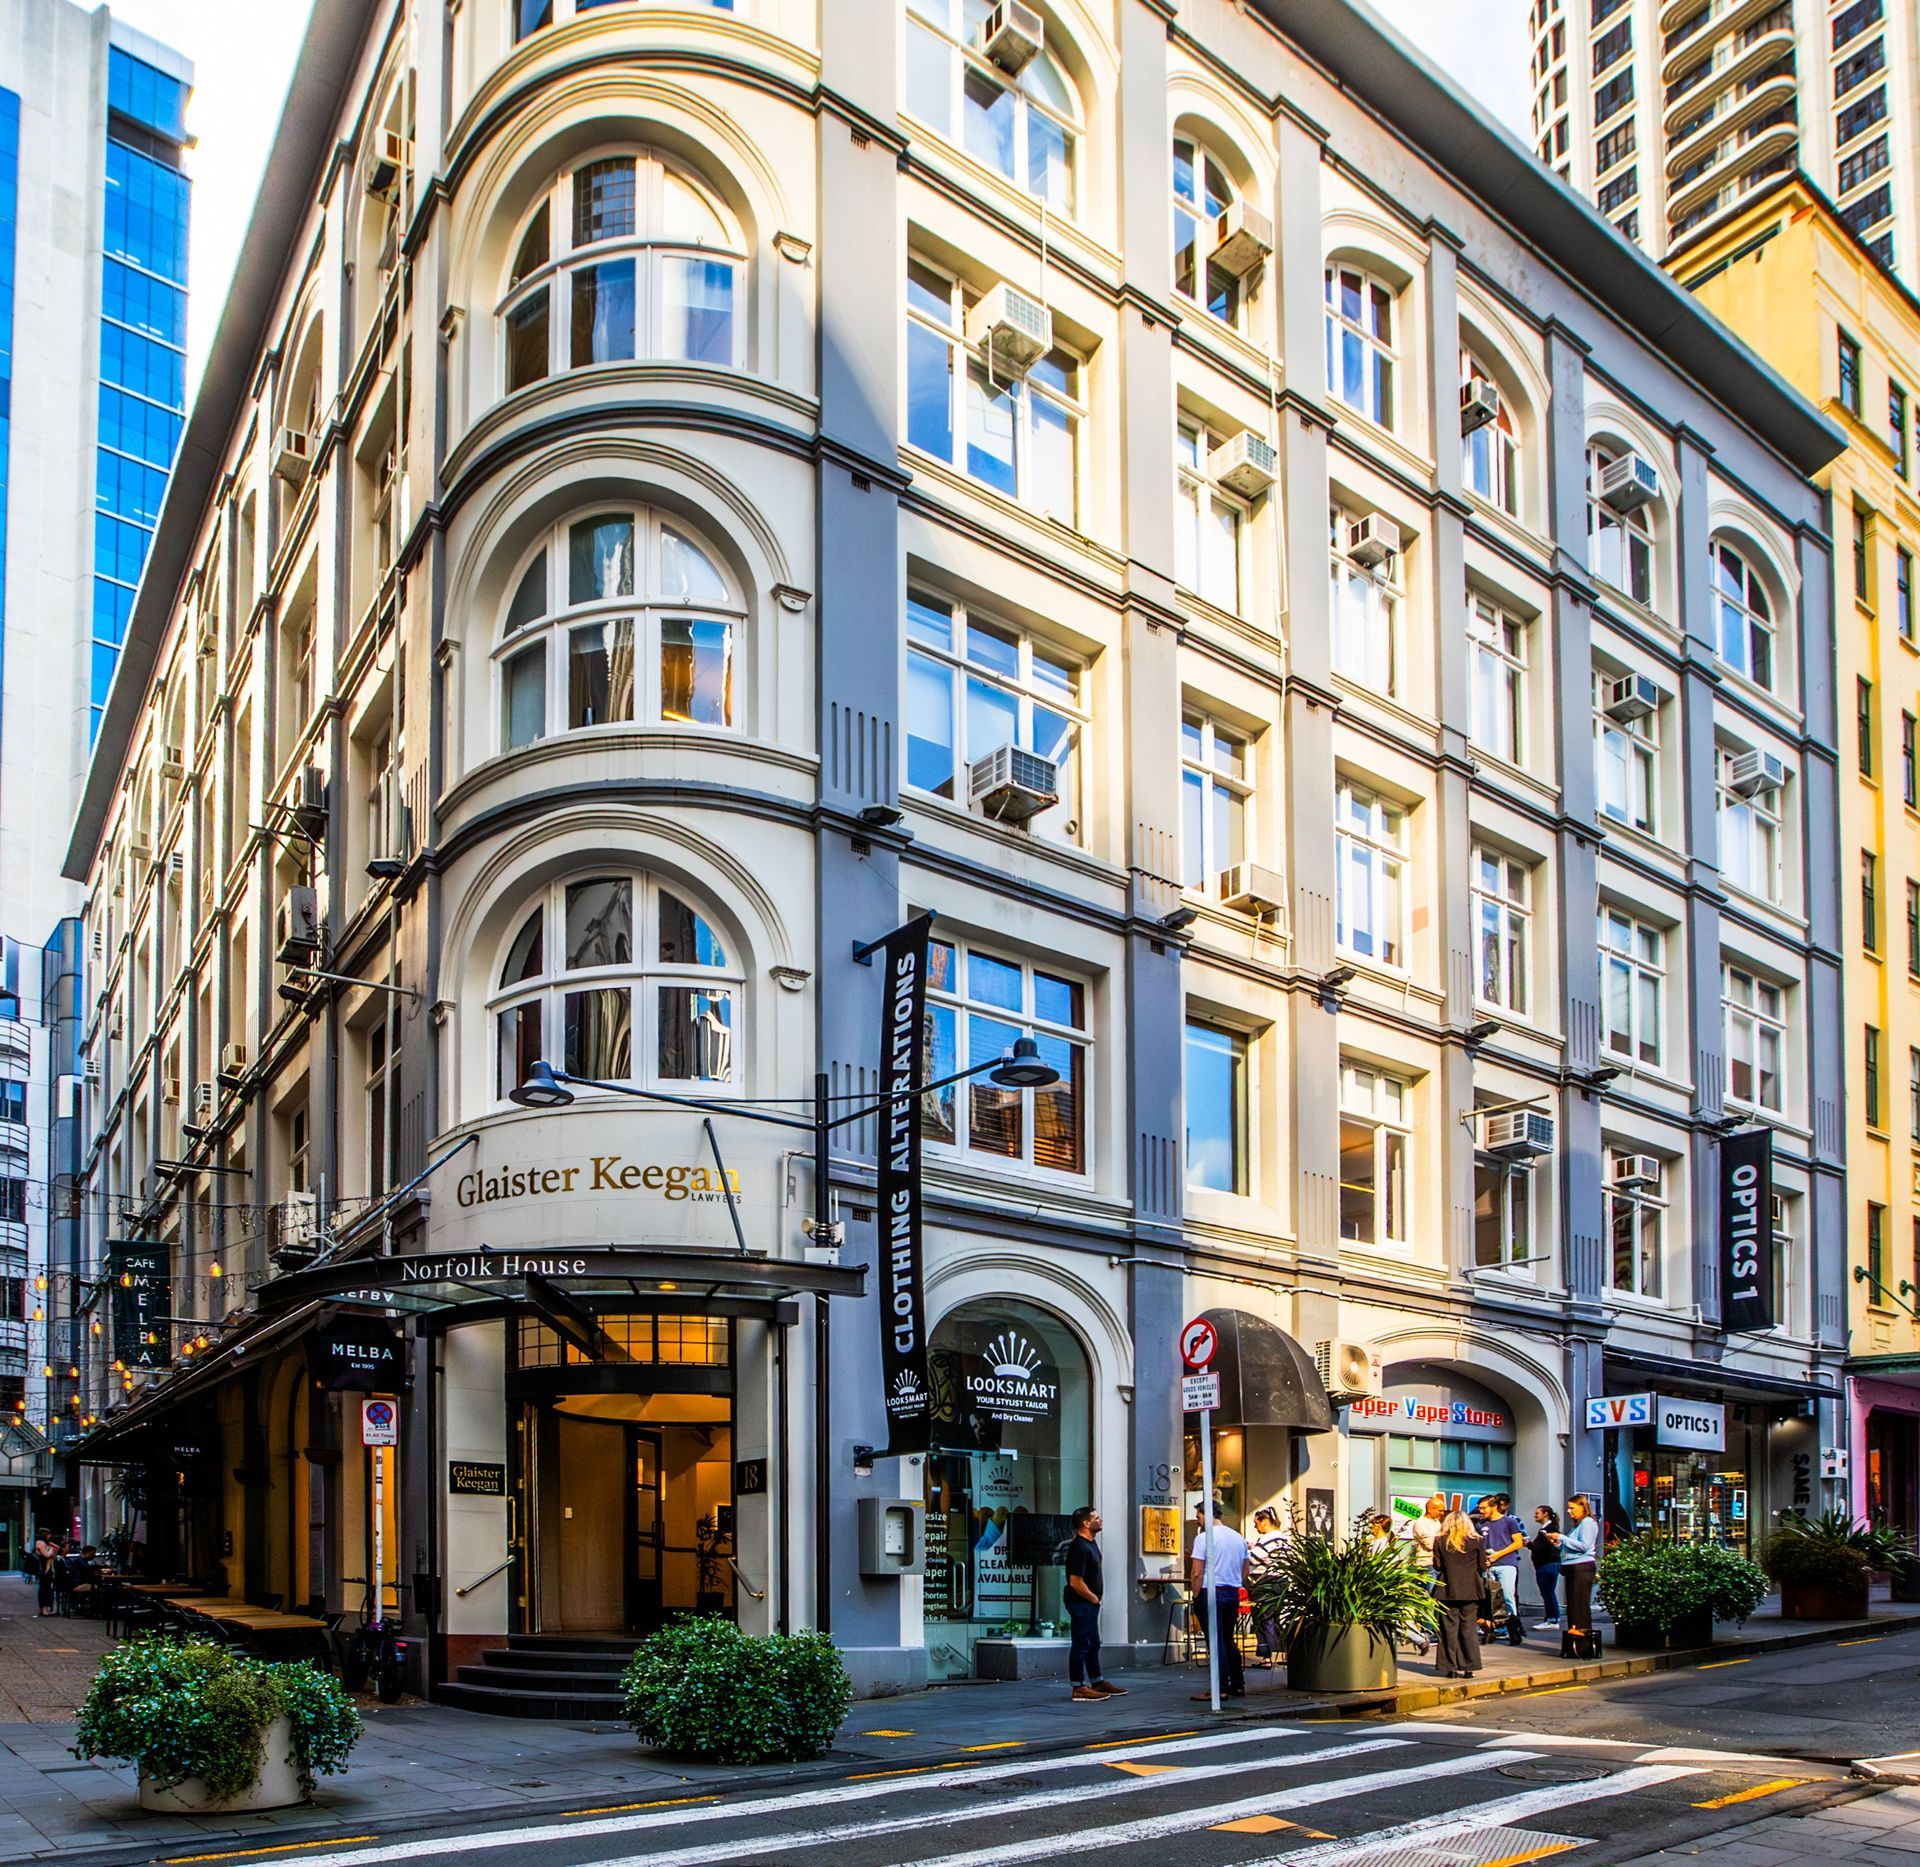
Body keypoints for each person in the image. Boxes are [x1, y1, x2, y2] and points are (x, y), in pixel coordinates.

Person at [1188, 1505, 1250, 1699]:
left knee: (1215, 1640)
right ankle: (1237, 1684)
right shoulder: (1238, 1537)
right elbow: (1246, 1568)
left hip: (1210, 1590)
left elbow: (1197, 1571)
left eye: (1198, 1516)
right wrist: (1235, 1582)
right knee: (1227, 1638)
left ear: (1207, 1514)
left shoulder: (1203, 1538)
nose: (1197, 1520)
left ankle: (1219, 1687)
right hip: (1231, 1592)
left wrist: (1196, 1594)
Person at [1063, 1506, 1125, 1702]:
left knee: (1093, 1644)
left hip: (1089, 1602)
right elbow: (1075, 1581)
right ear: (1086, 1523)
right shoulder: (1079, 1547)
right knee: (1081, 1643)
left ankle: (1097, 1681)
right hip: (1082, 1603)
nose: (1101, 1520)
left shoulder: (1091, 1544)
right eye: (1097, 1518)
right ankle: (1079, 1686)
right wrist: (1092, 1597)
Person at [1432, 1509, 1486, 1678]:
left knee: (1448, 1629)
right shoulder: (1476, 1540)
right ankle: (1469, 1667)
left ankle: (1450, 1667)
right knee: (1469, 1628)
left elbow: (1438, 1566)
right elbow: (1482, 1566)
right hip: (1471, 1590)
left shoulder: (1440, 1540)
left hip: (1447, 1590)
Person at [1551, 1495, 1601, 1657]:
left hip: (1581, 1567)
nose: (1569, 1511)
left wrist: (1562, 1538)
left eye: (1572, 1508)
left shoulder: (1587, 1522)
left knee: (1579, 1607)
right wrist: (1560, 1543)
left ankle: (1583, 1645)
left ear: (1583, 1507)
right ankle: (1577, 1641)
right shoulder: (1579, 1524)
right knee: (1574, 1607)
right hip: (1573, 1567)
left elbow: (1584, 1546)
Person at [1478, 1494, 1527, 1646]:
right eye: (1480, 1508)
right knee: (1489, 1599)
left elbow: (1518, 1542)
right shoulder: (1480, 1525)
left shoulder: (1509, 1521)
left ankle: (1513, 1630)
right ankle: (1492, 1630)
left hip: (1506, 1563)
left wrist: (1498, 1554)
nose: (1481, 1511)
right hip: (1488, 1565)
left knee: (1507, 1596)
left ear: (1493, 1506)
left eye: (1484, 1508)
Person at [1244, 1506, 1286, 1667]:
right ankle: (1279, 1653)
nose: (1256, 1527)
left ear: (1265, 1521)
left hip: (1266, 1583)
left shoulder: (1266, 1539)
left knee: (1263, 1618)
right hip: (1281, 1582)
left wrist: (1247, 1549)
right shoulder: (1283, 1538)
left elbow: (1253, 1559)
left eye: (1256, 1523)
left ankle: (1267, 1656)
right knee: (1275, 1617)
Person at [1397, 1493, 1447, 1582]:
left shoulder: (1437, 1522)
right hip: (1427, 1563)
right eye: (1440, 1510)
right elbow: (1431, 1544)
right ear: (1430, 1509)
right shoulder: (1421, 1523)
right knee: (1430, 1592)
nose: (1442, 1513)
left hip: (1438, 1562)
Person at [1529, 1506, 1563, 1631]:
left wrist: (1531, 1545)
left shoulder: (1549, 1529)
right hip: (1545, 1564)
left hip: (1547, 1565)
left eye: (1537, 1513)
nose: (1535, 1515)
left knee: (1548, 1592)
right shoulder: (1545, 1530)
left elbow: (1547, 1547)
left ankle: (1552, 1619)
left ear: (1545, 1514)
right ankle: (1551, 1618)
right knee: (1547, 1592)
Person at [31, 1532, 56, 1616]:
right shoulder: (40, 1542)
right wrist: (52, 1550)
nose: (50, 1536)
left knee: (46, 1588)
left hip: (46, 1568)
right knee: (45, 1589)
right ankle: (44, 1608)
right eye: (48, 1534)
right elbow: (46, 1555)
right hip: (44, 1569)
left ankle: (45, 1608)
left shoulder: (44, 1543)